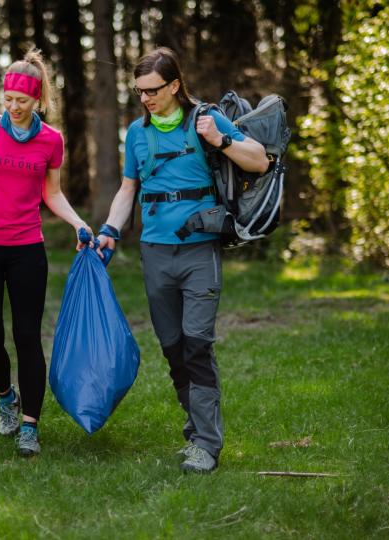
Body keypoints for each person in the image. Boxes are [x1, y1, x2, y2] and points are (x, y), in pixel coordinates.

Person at [95, 48, 269, 473]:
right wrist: (110, 229)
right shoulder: (137, 133)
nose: (146, 99)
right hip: (155, 252)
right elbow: (128, 189)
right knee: (173, 348)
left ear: (174, 85)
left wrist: (221, 140)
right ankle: (196, 432)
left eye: (153, 90)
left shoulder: (205, 119)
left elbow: (260, 160)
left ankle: (207, 444)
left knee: (197, 344)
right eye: (139, 92)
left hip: (199, 251)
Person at [0, 48, 91, 457]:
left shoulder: (51, 140)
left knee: (28, 337)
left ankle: (30, 426)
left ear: (37, 98)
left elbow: (52, 193)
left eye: (22, 100)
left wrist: (78, 222)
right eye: (7, 99)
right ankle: (6, 396)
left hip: (26, 249)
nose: (13, 107)